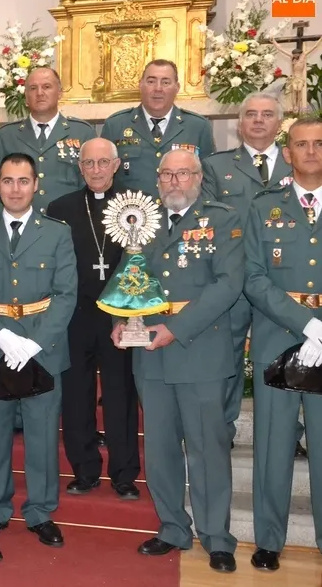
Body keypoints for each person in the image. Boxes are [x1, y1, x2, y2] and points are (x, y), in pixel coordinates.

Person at [113, 149, 240, 573]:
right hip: (150, 353)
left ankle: (216, 537)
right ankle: (172, 527)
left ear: (199, 177)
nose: (173, 181)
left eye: (183, 173)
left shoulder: (221, 219)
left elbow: (228, 285)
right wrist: (120, 320)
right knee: (161, 449)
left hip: (198, 348)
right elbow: (127, 278)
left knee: (207, 449)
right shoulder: (143, 220)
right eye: (167, 174)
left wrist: (176, 327)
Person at [244, 118, 322, 571]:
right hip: (278, 337)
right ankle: (268, 539)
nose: (311, 151)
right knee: (273, 445)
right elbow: (254, 277)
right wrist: (306, 325)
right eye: (302, 144)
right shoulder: (264, 207)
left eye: (320, 143)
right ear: (288, 153)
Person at [0, 153, 77, 547]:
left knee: (42, 435)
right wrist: (0, 336)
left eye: (23, 181)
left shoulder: (57, 233)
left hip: (42, 348)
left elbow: (66, 294)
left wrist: (34, 342)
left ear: (36, 184)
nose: (15, 189)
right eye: (8, 181)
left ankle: (40, 511)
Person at [201, 93, 300, 453]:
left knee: (286, 356)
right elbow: (208, 223)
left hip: (282, 283)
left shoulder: (296, 163)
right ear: (240, 124)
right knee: (225, 361)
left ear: (279, 123)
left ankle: (288, 434)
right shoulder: (215, 166)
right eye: (251, 114)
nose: (259, 120)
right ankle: (221, 430)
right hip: (234, 282)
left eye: (267, 114)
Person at [47, 139, 141, 499]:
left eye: (103, 162)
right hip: (75, 314)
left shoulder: (135, 205)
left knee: (120, 394)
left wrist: (126, 311)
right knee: (76, 395)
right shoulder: (61, 208)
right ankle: (84, 469)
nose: (96, 170)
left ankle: (124, 474)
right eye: (89, 163)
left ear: (116, 165)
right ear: (80, 167)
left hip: (120, 315)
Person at [102, 59, 216, 197]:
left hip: (181, 209)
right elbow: (102, 178)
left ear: (177, 87)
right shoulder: (115, 125)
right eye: (151, 81)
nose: (158, 88)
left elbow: (208, 181)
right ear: (140, 85)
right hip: (130, 210)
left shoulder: (198, 127)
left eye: (165, 82)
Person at [0, 67, 95, 213]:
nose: (39, 93)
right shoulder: (6, 135)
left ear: (60, 92)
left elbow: (92, 183)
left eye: (47, 87)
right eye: (33, 88)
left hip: (69, 220)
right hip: (22, 221)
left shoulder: (83, 133)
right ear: (26, 95)